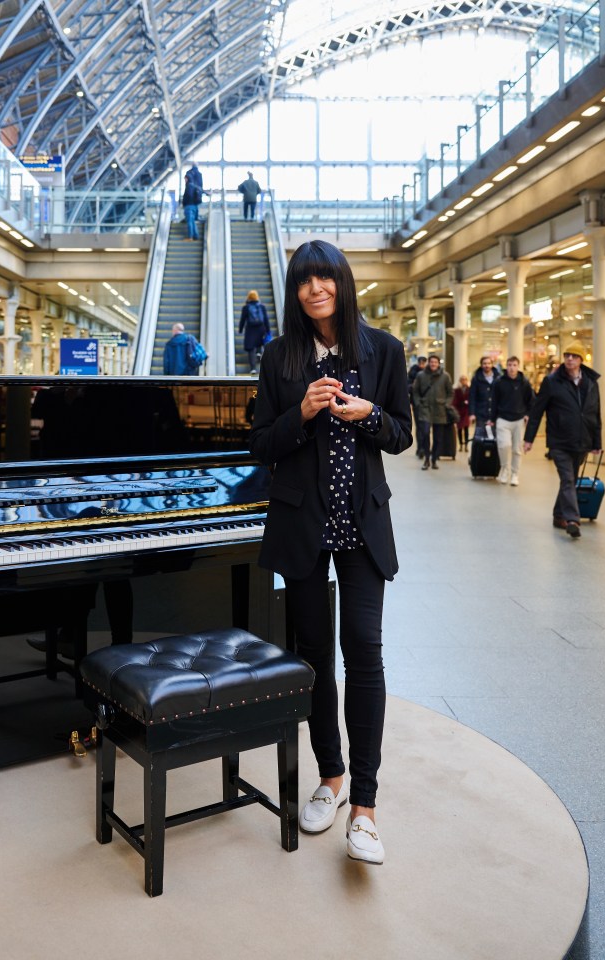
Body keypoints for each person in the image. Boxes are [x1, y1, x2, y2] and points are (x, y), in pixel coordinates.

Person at [249, 239, 412, 865]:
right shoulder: (279, 357)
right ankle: (331, 779)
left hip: (362, 526)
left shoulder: (383, 351)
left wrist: (369, 415)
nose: (315, 290)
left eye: (326, 278)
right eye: (303, 281)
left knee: (363, 653)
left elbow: (401, 434)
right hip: (304, 530)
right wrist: (303, 412)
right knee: (314, 654)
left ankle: (365, 808)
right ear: (294, 292)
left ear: (342, 284)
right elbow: (260, 444)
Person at [523, 341, 601, 539]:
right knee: (567, 479)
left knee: (571, 480)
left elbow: (595, 414)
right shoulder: (552, 381)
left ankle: (559, 516)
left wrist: (597, 443)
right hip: (559, 440)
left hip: (581, 440)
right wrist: (529, 439)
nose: (569, 359)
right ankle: (573, 520)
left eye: (574, 356)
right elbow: (537, 411)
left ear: (581, 360)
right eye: (567, 355)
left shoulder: (591, 383)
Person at [492, 356, 535, 486]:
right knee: (503, 445)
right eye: (509, 365)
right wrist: (493, 419)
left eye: (514, 365)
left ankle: (515, 473)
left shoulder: (524, 382)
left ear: (518, 366)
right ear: (506, 366)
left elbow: (531, 400)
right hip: (502, 419)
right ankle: (504, 469)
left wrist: (527, 414)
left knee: (517, 449)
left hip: (519, 419)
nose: (512, 368)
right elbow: (494, 401)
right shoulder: (499, 382)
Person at [412, 354, 453, 470]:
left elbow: (450, 393)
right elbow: (415, 391)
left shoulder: (445, 376)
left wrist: (447, 404)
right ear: (429, 363)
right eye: (431, 362)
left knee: (438, 437)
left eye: (435, 362)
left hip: (440, 410)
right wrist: (418, 403)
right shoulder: (421, 375)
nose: (433, 364)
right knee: (424, 433)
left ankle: (434, 459)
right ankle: (426, 458)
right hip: (425, 408)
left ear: (438, 363)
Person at [238, 290, 270, 373]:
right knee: (259, 343)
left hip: (250, 329)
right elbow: (266, 319)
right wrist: (268, 330)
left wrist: (240, 329)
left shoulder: (246, 307)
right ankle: (259, 354)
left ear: (249, 297)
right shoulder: (262, 306)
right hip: (261, 328)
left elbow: (243, 319)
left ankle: (253, 368)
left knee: (251, 348)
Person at [468, 355, 500, 435]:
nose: (487, 366)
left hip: (496, 414)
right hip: (481, 414)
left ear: (492, 364)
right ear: (481, 365)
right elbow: (472, 397)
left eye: (489, 363)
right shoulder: (476, 379)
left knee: (495, 439)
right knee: (480, 439)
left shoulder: (498, 378)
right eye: (484, 363)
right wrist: (472, 413)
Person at [407, 355, 427, 458]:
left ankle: (426, 448)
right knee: (420, 427)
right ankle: (420, 448)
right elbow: (407, 386)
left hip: (429, 404)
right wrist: (413, 386)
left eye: (424, 363)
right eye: (421, 363)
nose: (422, 365)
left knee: (426, 428)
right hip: (417, 403)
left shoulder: (429, 373)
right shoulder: (413, 372)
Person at [180, 173, 202, 241]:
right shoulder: (194, 186)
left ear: (187, 178)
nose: (185, 180)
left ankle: (190, 237)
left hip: (189, 206)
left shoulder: (188, 186)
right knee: (192, 221)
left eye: (185, 179)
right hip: (194, 206)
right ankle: (196, 235)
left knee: (189, 221)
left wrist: (184, 203)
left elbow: (188, 196)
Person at [452, 373, 471, 451]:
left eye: (465, 379)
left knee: (466, 428)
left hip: (466, 411)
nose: (464, 381)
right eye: (462, 379)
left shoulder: (470, 389)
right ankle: (461, 445)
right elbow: (454, 401)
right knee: (459, 429)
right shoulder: (456, 390)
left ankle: (466, 445)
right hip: (459, 412)